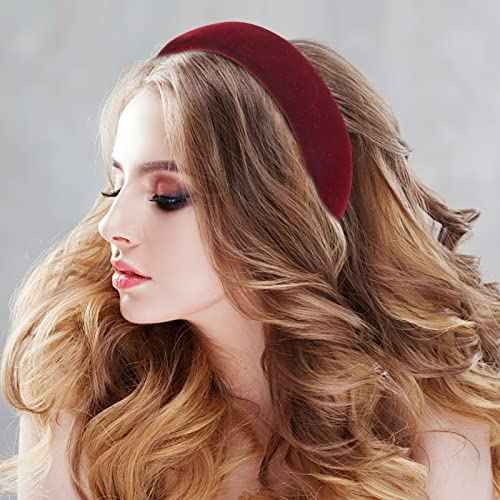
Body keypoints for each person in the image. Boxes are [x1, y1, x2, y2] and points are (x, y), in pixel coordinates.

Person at [1, 21, 498, 500]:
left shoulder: (433, 413)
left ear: (277, 213)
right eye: (116, 185)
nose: (112, 225)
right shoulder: (81, 380)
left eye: (168, 197)